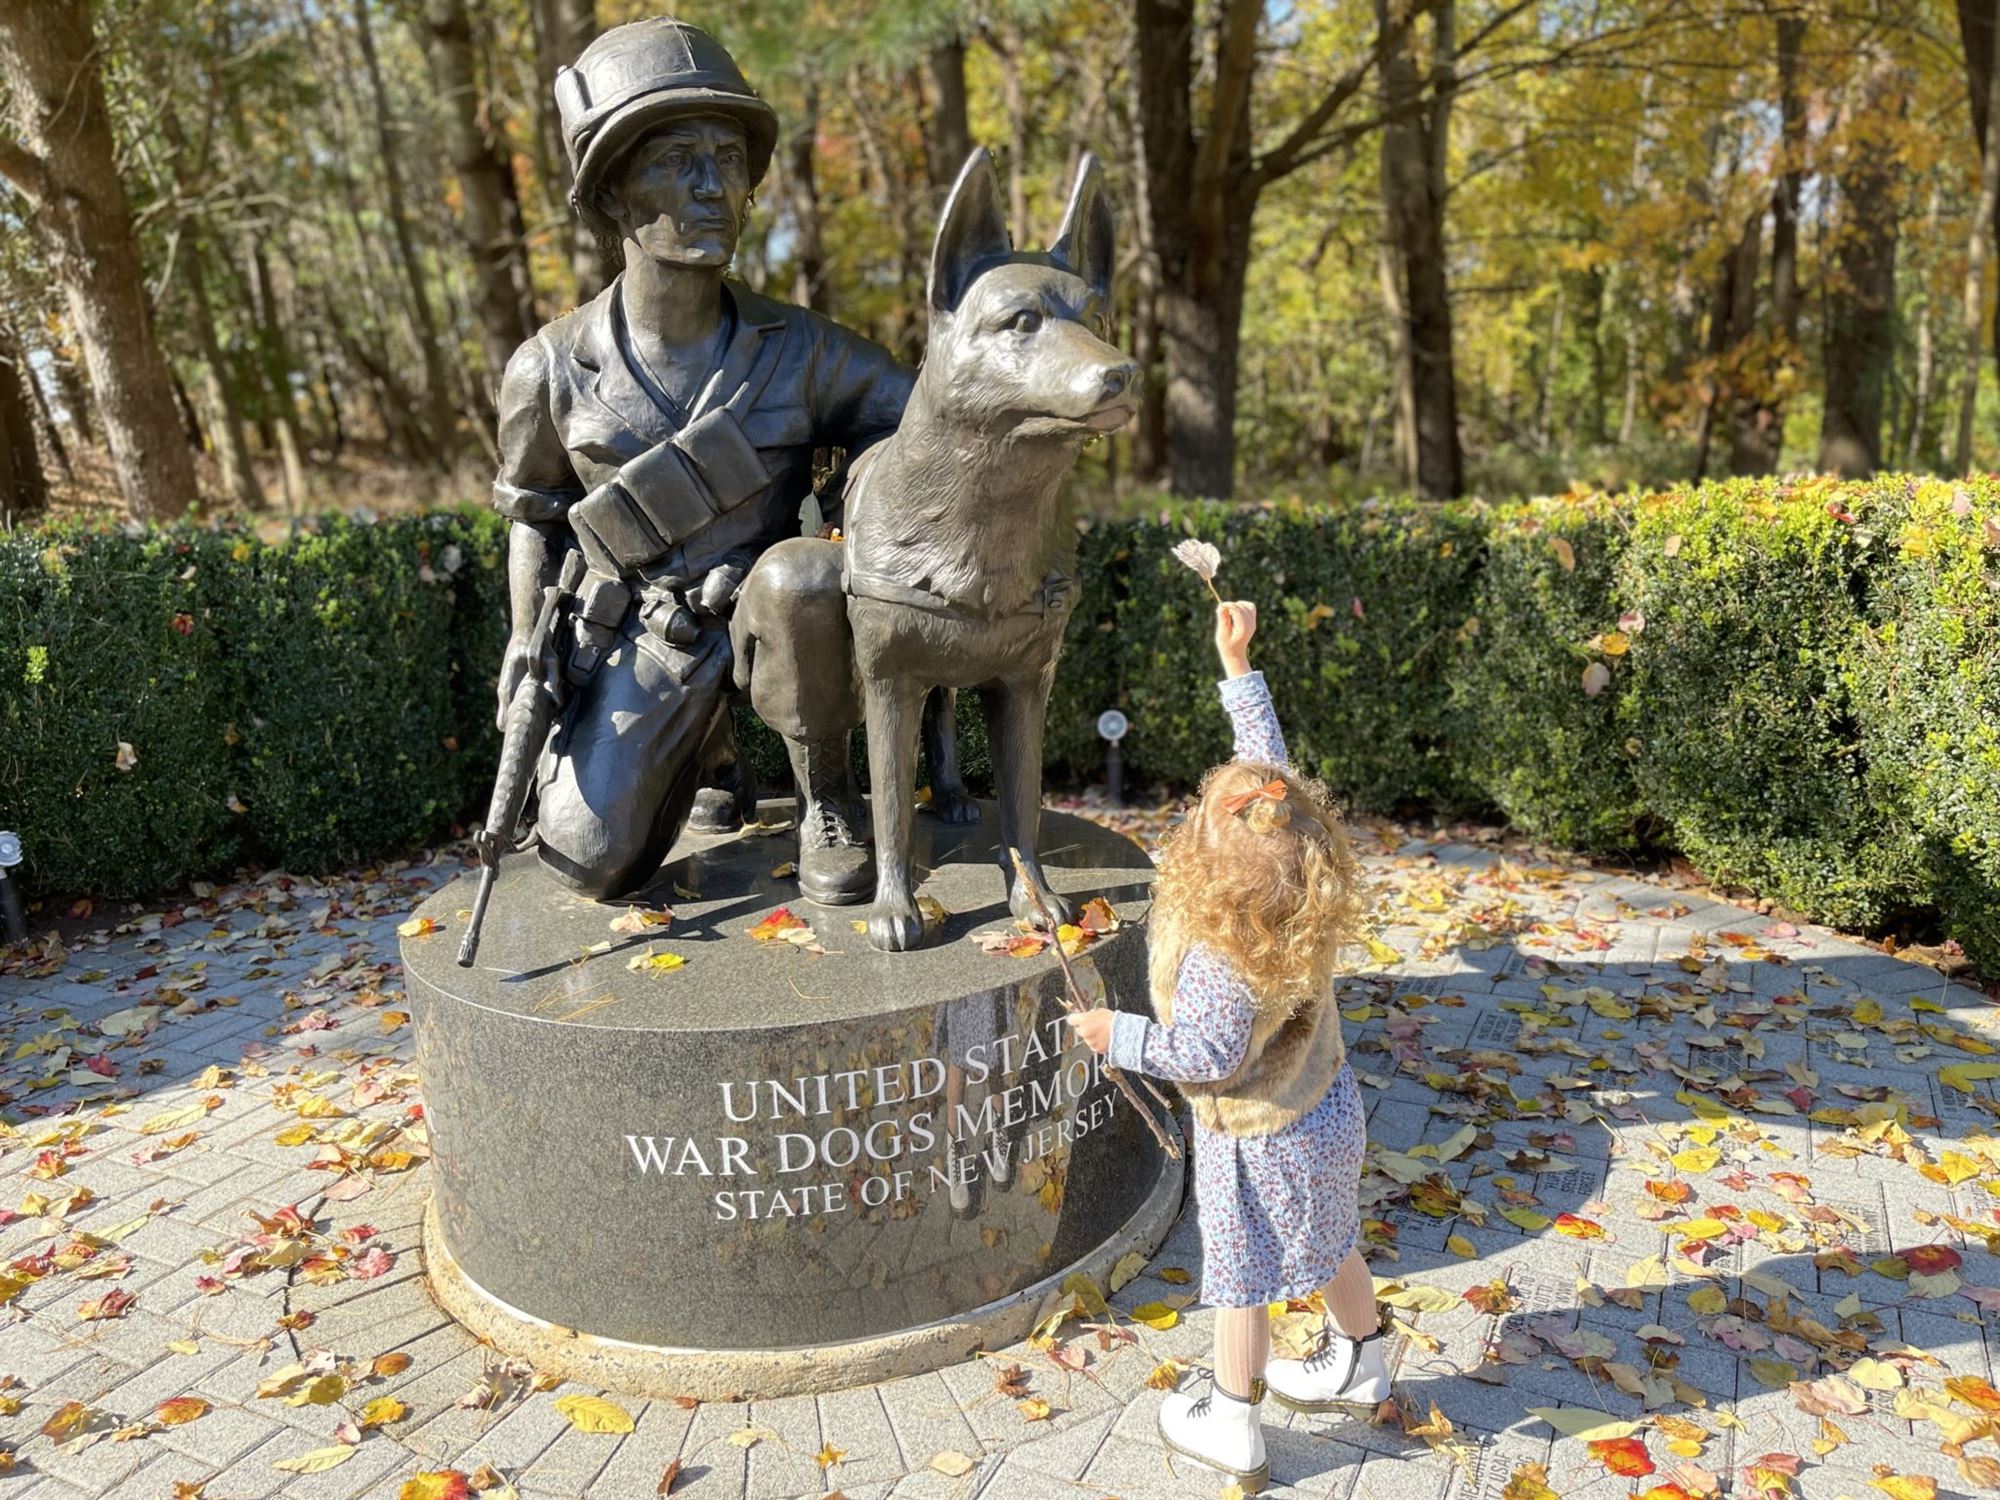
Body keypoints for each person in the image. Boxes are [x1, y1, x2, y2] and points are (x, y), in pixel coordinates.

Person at [493, 17, 912, 907]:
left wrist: (855, 496)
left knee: (799, 583)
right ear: (610, 195)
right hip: (647, 635)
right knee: (587, 860)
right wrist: (526, 644)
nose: (712, 185)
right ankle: (707, 753)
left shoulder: (802, 348)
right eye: (675, 159)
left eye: (727, 158)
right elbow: (532, 514)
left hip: (772, 614)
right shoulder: (550, 368)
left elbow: (912, 421)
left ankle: (825, 796)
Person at [1065, 598, 1386, 1493]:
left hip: (1255, 1140)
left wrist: (1116, 1032)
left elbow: (1203, 1054)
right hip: (1325, 1108)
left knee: (1240, 1279)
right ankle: (1361, 1359)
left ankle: (1231, 1419)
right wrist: (1238, 668)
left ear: (1205, 865)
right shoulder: (1297, 887)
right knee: (1330, 1243)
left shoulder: (1217, 955)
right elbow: (1270, 774)